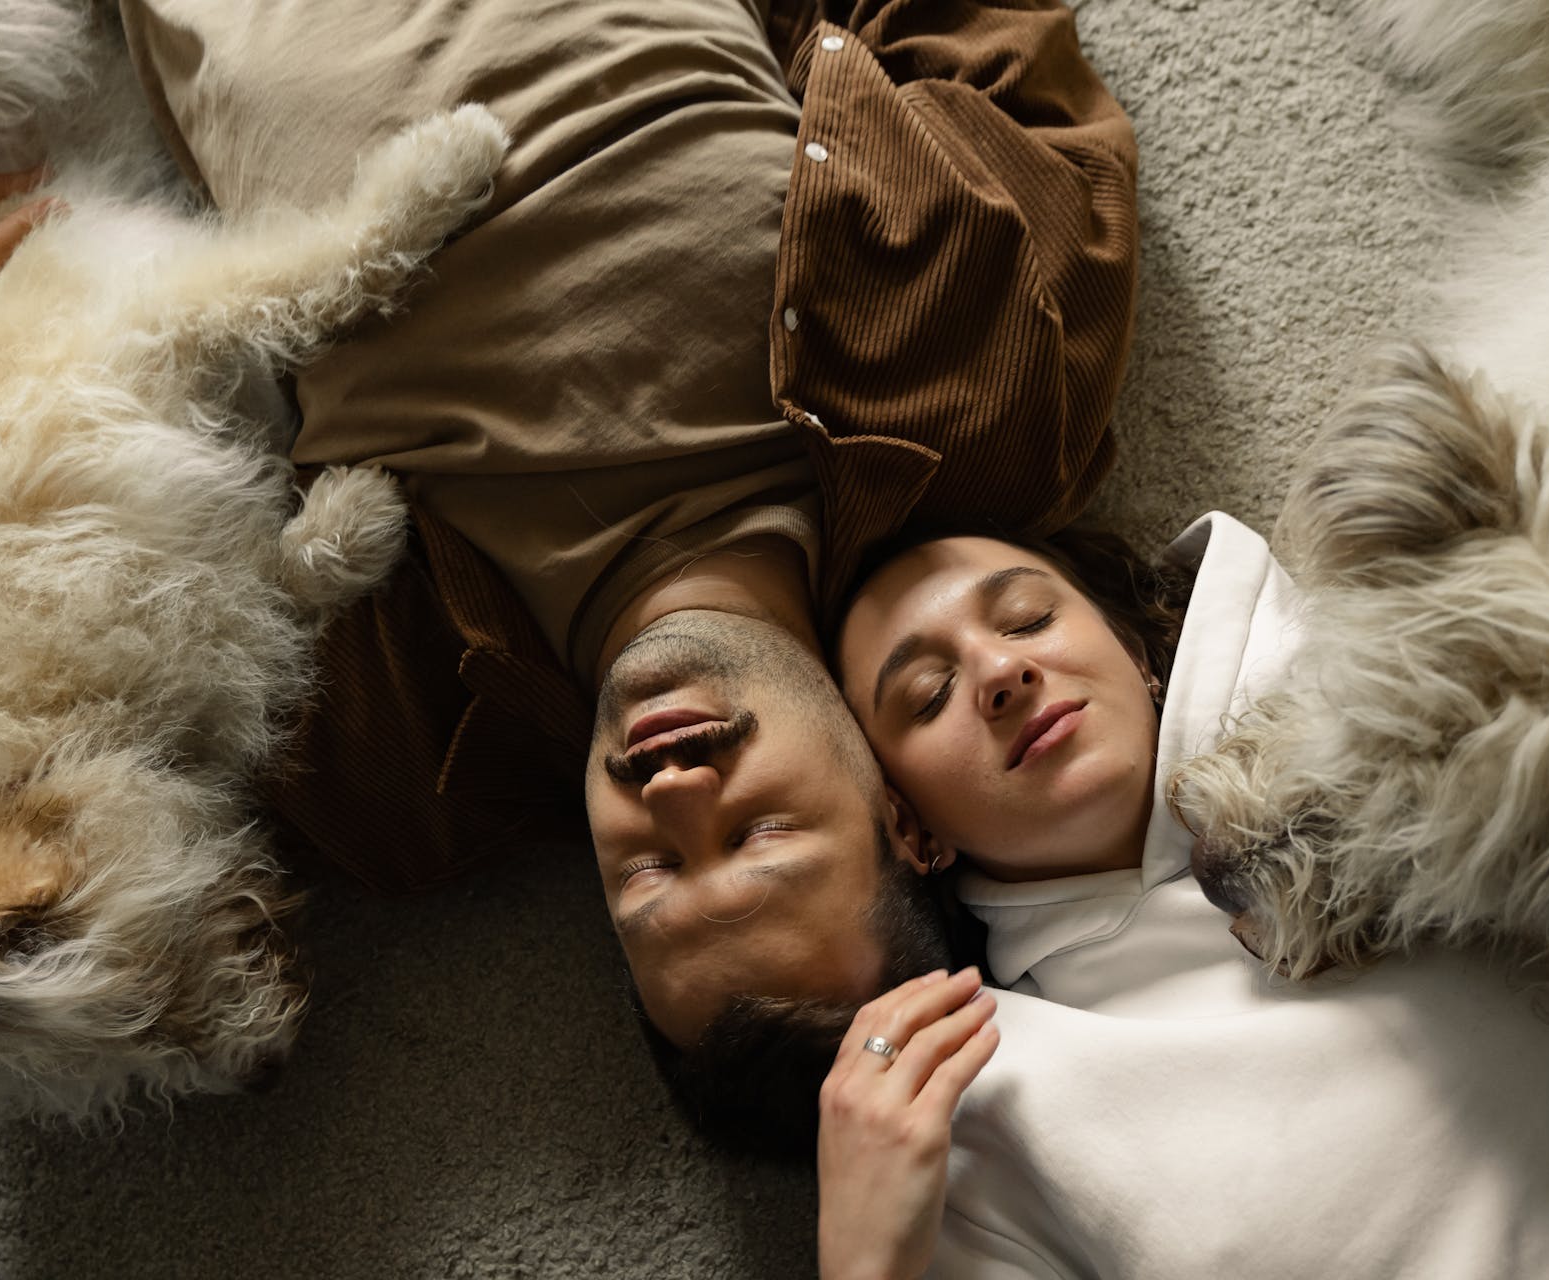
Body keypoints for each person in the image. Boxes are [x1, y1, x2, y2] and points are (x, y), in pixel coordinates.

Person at [103, 0, 1138, 902]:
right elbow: (976, 28)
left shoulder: (391, 771)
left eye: (652, 875)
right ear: (903, 820)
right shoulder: (997, 381)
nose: (677, 793)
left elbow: (74, 548)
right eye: (759, 835)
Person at [789, 512, 1549, 1276]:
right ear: (912, 824)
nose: (999, 671)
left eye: (1028, 616)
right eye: (929, 691)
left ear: (1135, 648)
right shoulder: (980, 1091)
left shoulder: (1400, 743)